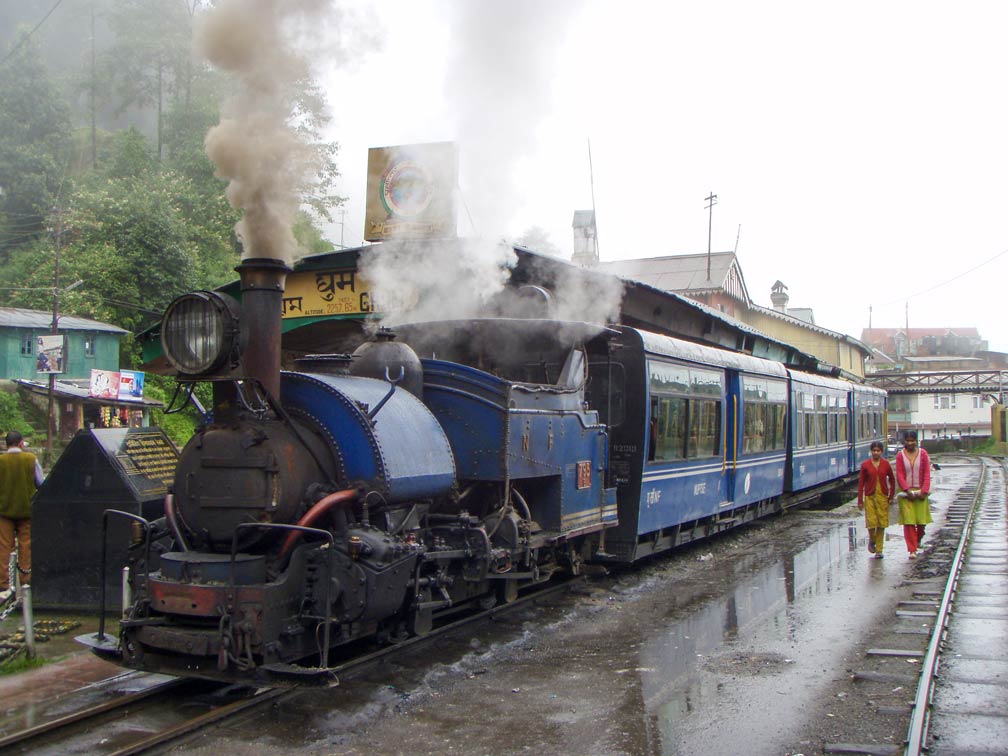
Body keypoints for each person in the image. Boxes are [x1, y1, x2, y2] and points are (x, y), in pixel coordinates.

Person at [0, 430, 43, 603]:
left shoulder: (0, 461)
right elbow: (41, 483)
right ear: (20, 443)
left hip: (3, 511)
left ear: (6, 444)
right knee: (26, 546)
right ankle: (26, 580)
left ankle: (3, 584)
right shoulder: (30, 459)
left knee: (4, 547)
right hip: (26, 511)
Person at [894, 430, 932, 558]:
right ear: (904, 442)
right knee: (909, 522)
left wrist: (924, 490)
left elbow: (927, 473)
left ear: (916, 441)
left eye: (912, 441)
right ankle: (912, 550)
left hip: (921, 492)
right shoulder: (900, 456)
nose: (910, 443)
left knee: (921, 522)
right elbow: (899, 474)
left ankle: (918, 539)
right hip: (906, 494)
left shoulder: (923, 454)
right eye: (908, 441)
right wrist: (906, 490)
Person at [857, 440, 895, 558]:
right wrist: (860, 500)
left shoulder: (886, 464)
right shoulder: (865, 465)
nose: (876, 453)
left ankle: (879, 550)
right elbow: (861, 483)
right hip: (870, 497)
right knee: (871, 522)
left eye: (878, 451)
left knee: (881, 523)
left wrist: (891, 495)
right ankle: (872, 539)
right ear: (871, 451)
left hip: (882, 497)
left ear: (882, 452)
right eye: (874, 450)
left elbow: (892, 480)